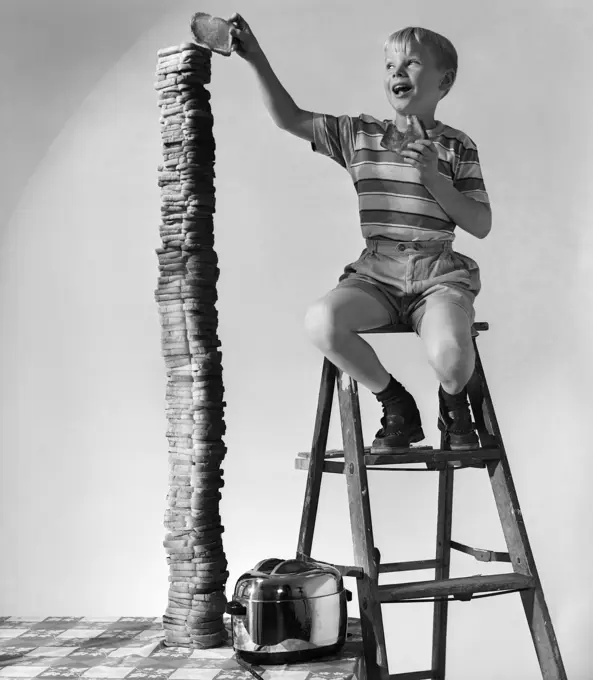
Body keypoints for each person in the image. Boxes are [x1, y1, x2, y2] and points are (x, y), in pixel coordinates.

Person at [228, 14, 492, 452]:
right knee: (322, 321)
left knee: (450, 356)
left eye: (410, 64)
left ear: (443, 82)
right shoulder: (359, 135)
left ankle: (452, 404)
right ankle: (396, 403)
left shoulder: (457, 147)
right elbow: (288, 118)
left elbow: (480, 224)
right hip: (377, 273)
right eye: (390, 66)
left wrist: (434, 180)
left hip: (438, 274)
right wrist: (255, 58)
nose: (397, 73)